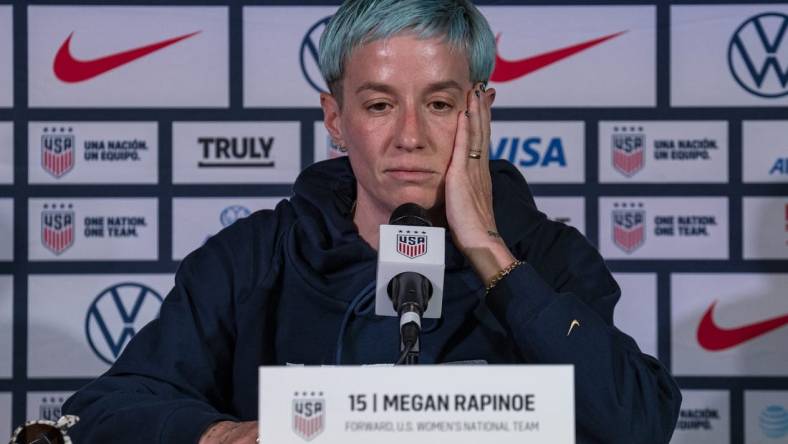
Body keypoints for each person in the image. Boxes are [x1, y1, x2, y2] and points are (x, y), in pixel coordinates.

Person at [62, 1, 682, 443]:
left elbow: (637, 423)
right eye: (380, 104)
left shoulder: (547, 256)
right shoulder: (250, 257)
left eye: (439, 104)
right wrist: (226, 436)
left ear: (480, 110)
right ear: (335, 119)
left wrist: (491, 254)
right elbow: (102, 412)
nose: (410, 136)